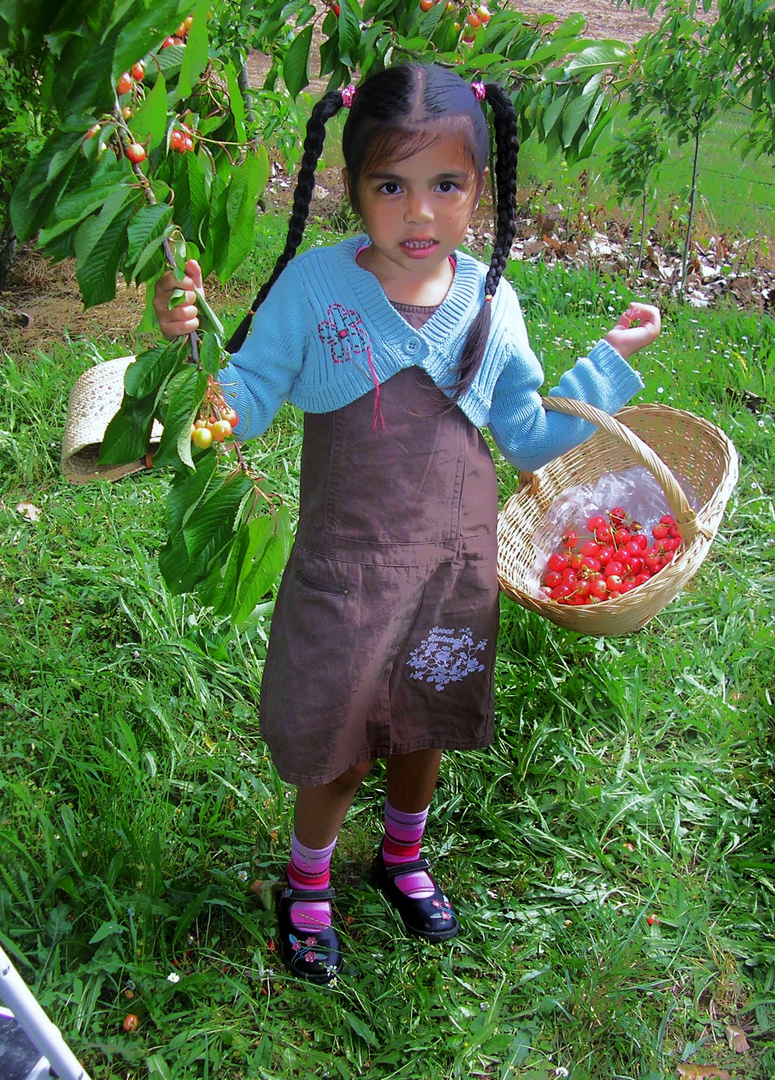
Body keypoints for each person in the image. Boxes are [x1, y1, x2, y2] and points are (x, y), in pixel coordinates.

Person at [154, 63, 660, 985]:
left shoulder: (491, 303)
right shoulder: (314, 292)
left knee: (424, 726)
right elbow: (251, 394)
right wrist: (192, 359)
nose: (418, 213)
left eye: (445, 186)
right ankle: (307, 882)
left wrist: (607, 363)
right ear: (352, 189)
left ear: (480, 191)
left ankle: (401, 856)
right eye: (391, 185)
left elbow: (529, 435)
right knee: (338, 744)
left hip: (449, 575)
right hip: (346, 574)